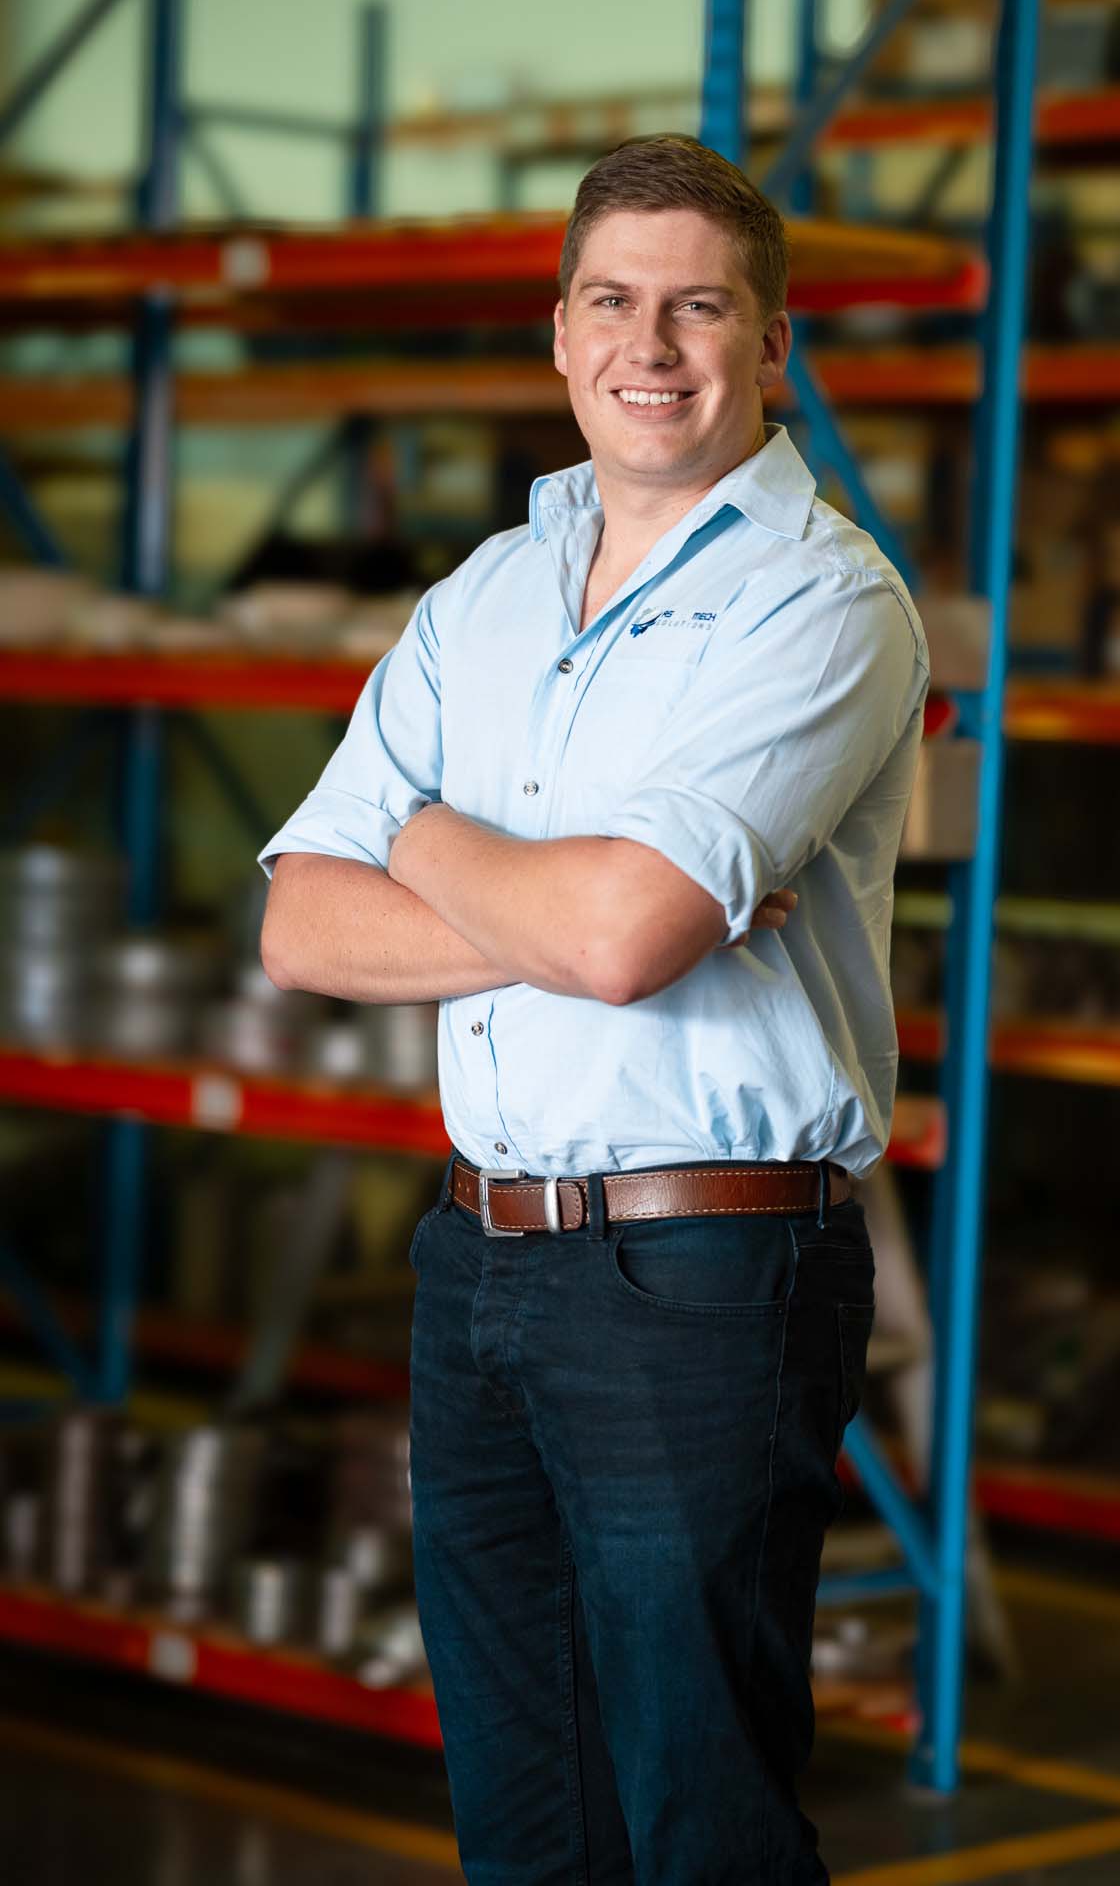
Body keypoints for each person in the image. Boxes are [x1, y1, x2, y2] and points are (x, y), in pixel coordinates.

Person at [258, 133, 929, 1886]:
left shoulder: (823, 600)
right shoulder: (481, 596)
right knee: (527, 1822)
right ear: (559, 333)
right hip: (481, 1257)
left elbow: (626, 940)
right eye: (615, 302)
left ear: (772, 348)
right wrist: (549, 904)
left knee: (699, 1822)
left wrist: (416, 828)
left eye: (701, 308)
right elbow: (303, 926)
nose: (653, 345)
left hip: (703, 1277)